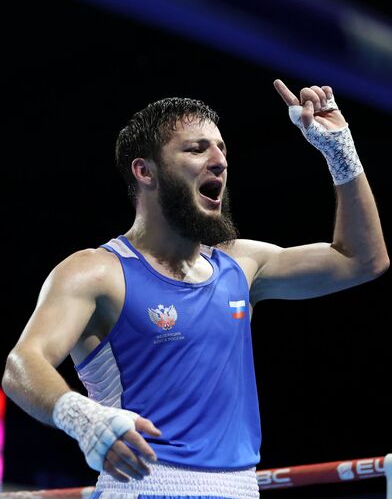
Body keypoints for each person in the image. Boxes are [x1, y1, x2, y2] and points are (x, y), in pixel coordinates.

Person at [2, 79, 389, 499]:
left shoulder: (239, 263)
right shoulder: (96, 272)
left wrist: (339, 150)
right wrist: (82, 417)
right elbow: (22, 364)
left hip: (241, 488)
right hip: (144, 484)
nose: (219, 160)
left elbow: (363, 260)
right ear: (144, 170)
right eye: (197, 148)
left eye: (222, 148)